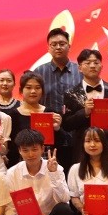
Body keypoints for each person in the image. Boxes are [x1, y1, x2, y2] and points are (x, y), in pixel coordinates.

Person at [62, 49, 108, 162]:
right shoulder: (71, 93)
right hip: (82, 151)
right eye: (88, 63)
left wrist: (105, 133)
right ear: (79, 68)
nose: (92, 66)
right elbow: (66, 124)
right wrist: (84, 113)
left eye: (96, 62)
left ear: (101, 66)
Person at [33, 28, 80, 172]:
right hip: (48, 135)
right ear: (48, 48)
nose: (58, 47)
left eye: (62, 44)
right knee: (49, 175)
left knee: (74, 175)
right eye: (54, 44)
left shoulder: (80, 71)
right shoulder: (39, 72)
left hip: (75, 133)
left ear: (69, 46)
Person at [5, 71, 61, 167]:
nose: (33, 91)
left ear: (42, 91)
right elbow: (11, 146)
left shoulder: (50, 113)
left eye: (37, 88)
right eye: (28, 87)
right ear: (21, 90)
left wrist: (57, 128)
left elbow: (60, 143)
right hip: (21, 164)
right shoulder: (12, 116)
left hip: (48, 163)